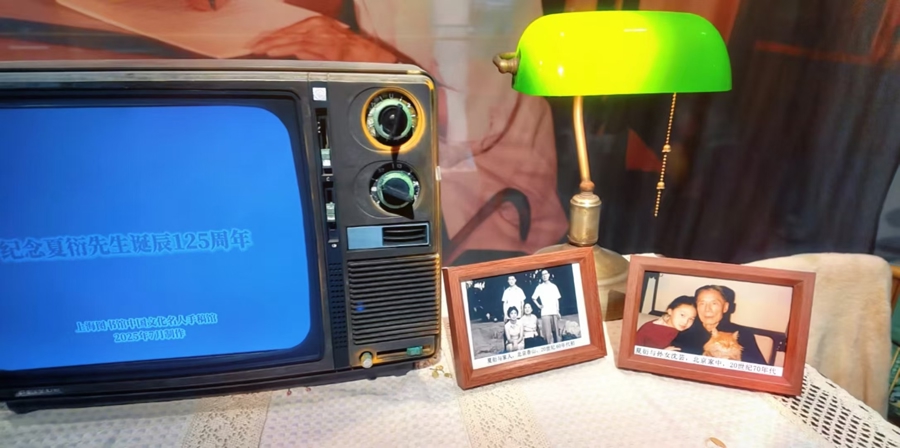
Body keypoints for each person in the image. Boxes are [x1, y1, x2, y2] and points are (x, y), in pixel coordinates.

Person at [670, 285, 767, 365]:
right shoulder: (684, 328)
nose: (707, 309)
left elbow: (760, 371)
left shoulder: (742, 334)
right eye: (702, 303)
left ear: (725, 307)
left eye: (714, 303)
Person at [532, 270, 562, 344]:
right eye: (543, 275)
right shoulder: (539, 287)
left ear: (548, 275)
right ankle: (549, 345)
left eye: (546, 274)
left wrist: (557, 310)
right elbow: (533, 298)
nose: (544, 276)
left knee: (556, 332)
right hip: (545, 312)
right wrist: (539, 305)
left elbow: (557, 299)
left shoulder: (553, 286)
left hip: (554, 311)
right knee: (547, 333)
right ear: (542, 277)